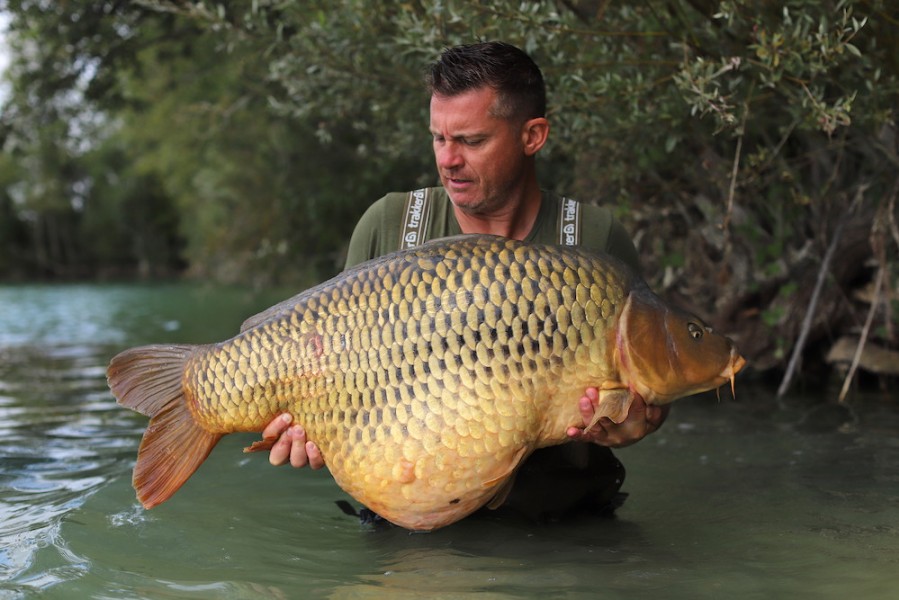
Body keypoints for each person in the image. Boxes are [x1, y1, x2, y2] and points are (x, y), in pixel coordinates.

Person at [260, 41, 667, 521]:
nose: (448, 160)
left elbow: (652, 380)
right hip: (412, 528)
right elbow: (336, 374)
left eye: (471, 141)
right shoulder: (388, 226)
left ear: (532, 136)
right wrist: (312, 430)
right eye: (438, 138)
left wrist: (642, 422)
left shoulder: (595, 239)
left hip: (565, 529)